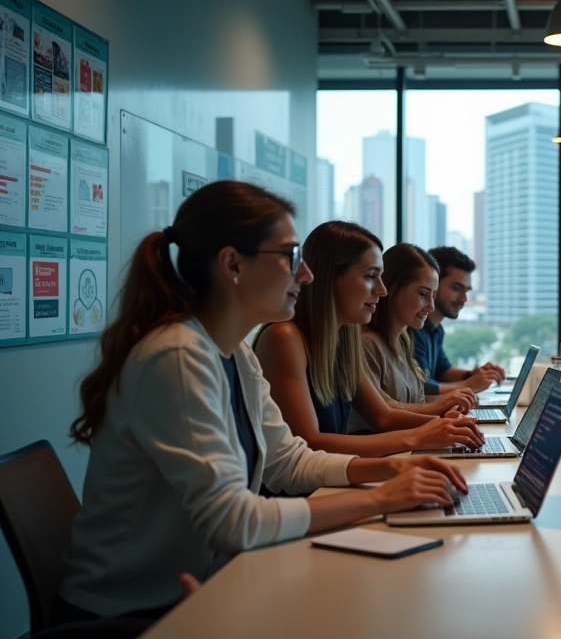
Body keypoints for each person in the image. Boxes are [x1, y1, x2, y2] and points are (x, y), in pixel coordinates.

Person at [56, 182, 468, 624]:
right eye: (291, 257)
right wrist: (380, 499)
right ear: (232, 263)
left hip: (202, 584)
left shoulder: (235, 352)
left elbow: (287, 461)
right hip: (127, 615)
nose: (305, 275)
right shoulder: (178, 355)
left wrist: (390, 468)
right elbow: (234, 521)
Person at [254, 221, 485, 456]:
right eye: (370, 276)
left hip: (325, 482)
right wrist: (419, 436)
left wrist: (443, 423)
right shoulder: (284, 337)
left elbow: (382, 415)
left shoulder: (344, 338)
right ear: (330, 276)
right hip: (300, 491)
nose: (382, 290)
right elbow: (309, 444)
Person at [351, 243, 477, 434]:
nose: (431, 306)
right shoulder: (367, 344)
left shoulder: (403, 340)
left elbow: (408, 402)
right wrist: (438, 417)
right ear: (391, 288)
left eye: (433, 296)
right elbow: (385, 414)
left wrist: (443, 416)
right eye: (423, 294)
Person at [413, 246, 505, 394]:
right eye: (456, 288)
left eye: (467, 290)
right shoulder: (413, 329)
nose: (464, 299)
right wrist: (470, 384)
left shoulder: (436, 329)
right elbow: (422, 387)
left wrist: (474, 374)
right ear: (434, 283)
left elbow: (443, 370)